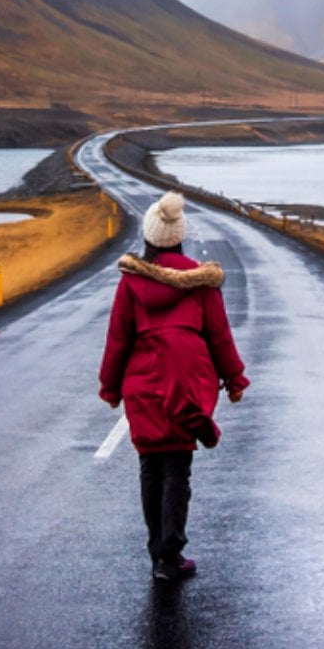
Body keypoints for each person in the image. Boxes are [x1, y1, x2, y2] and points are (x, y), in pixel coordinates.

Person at [99, 190, 249, 582]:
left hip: (143, 389)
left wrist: (110, 388)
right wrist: (234, 379)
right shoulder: (201, 283)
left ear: (149, 238)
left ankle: (158, 555)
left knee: (151, 467)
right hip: (185, 387)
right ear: (179, 236)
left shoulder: (131, 283)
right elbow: (219, 337)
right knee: (177, 470)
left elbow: (118, 339)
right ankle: (170, 555)